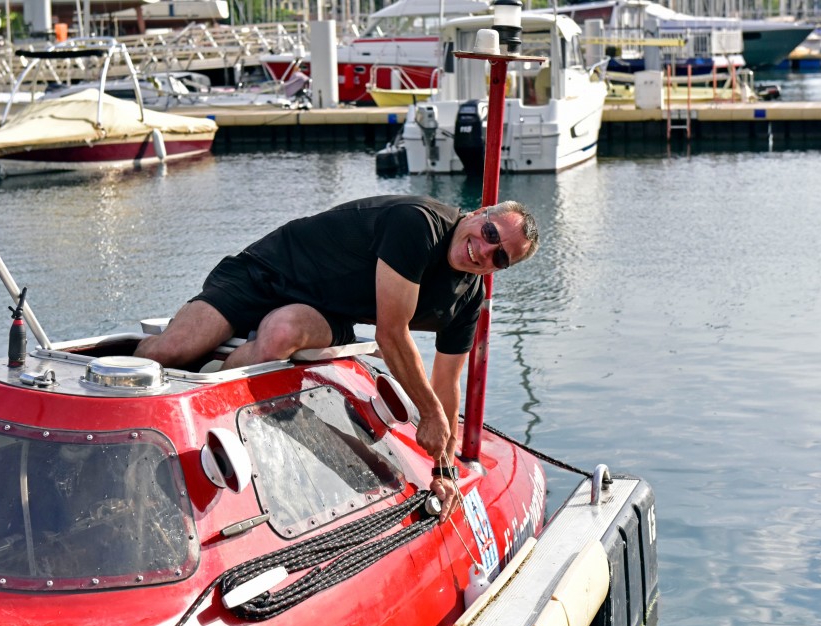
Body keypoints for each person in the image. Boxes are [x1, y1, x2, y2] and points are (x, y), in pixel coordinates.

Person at [135, 195, 539, 521]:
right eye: (489, 232)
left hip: (325, 311)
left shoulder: (467, 300)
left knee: (281, 333)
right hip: (263, 272)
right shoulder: (418, 224)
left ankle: (204, 416)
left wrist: (445, 469)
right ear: (478, 213)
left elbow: (447, 383)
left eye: (500, 257)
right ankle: (135, 417)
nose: (484, 251)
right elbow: (391, 334)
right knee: (170, 351)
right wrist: (430, 415)